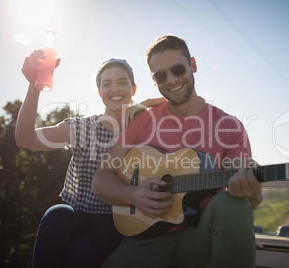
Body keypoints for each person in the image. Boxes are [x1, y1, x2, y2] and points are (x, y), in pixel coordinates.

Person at [92, 35, 262, 267]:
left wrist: (252, 192)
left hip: (199, 237)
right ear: (154, 80)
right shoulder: (143, 120)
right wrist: (133, 195)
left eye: (178, 69)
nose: (171, 80)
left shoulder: (229, 126)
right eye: (160, 75)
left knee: (235, 203)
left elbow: (242, 204)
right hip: (145, 235)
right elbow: (101, 179)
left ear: (192, 65)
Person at [15, 50, 165, 268]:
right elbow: (25, 139)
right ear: (99, 91)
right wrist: (33, 86)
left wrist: (148, 102)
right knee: (56, 214)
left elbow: (185, 103)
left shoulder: (143, 132)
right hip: (77, 214)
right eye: (107, 84)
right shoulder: (81, 127)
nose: (114, 89)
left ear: (133, 90)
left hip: (117, 220)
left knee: (79, 255)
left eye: (122, 83)